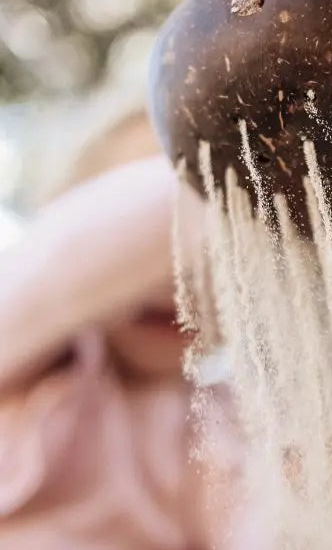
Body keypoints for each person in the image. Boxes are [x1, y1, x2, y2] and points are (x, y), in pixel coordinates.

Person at [0, 110, 250, 549]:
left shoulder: (219, 419)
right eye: (145, 255)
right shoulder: (28, 363)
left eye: (221, 260)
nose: (177, 280)